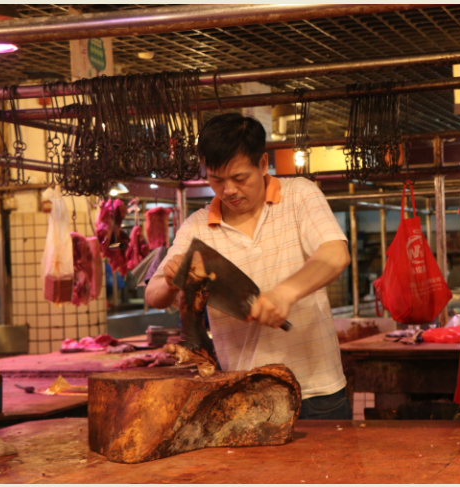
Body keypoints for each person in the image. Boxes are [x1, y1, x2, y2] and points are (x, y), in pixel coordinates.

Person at [145, 113, 352, 419]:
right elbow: (153, 294)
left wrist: (285, 293)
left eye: (239, 178)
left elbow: (335, 254)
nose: (228, 190)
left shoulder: (299, 195)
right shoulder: (198, 226)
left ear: (262, 164)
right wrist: (171, 278)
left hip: (315, 392)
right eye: (216, 179)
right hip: (242, 393)